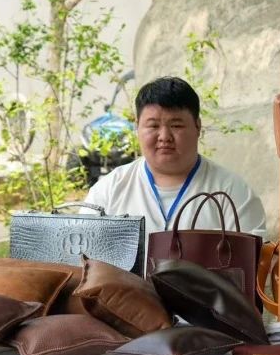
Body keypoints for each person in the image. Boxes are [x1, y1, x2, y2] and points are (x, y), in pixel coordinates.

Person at [84, 76, 266, 241]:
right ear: (137, 127)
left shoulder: (233, 193)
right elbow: (81, 256)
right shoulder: (108, 191)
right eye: (153, 126)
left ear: (198, 127)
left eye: (176, 125)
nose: (164, 136)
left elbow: (252, 262)